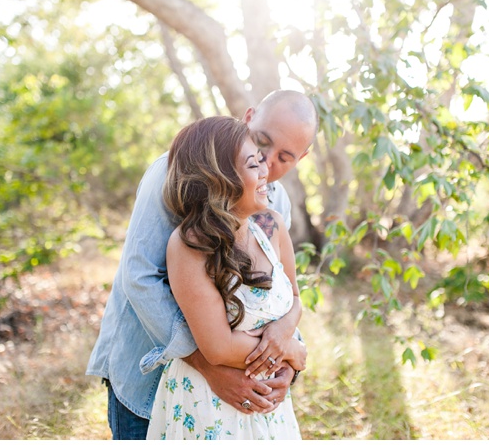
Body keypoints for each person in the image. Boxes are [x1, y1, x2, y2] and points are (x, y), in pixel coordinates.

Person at [86, 90, 318, 439]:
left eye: (285, 157)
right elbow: (140, 277)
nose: (268, 163)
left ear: (303, 157)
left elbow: (277, 295)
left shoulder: (274, 207)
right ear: (249, 117)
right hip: (147, 376)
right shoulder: (173, 173)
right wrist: (210, 365)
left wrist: (287, 357)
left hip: (243, 404)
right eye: (262, 143)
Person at [147, 116, 306, 439]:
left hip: (270, 407)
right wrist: (290, 351)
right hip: (209, 405)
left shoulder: (272, 224)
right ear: (219, 177)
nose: (266, 172)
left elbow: (296, 298)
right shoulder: (190, 245)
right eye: (253, 165)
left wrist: (287, 344)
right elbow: (218, 347)